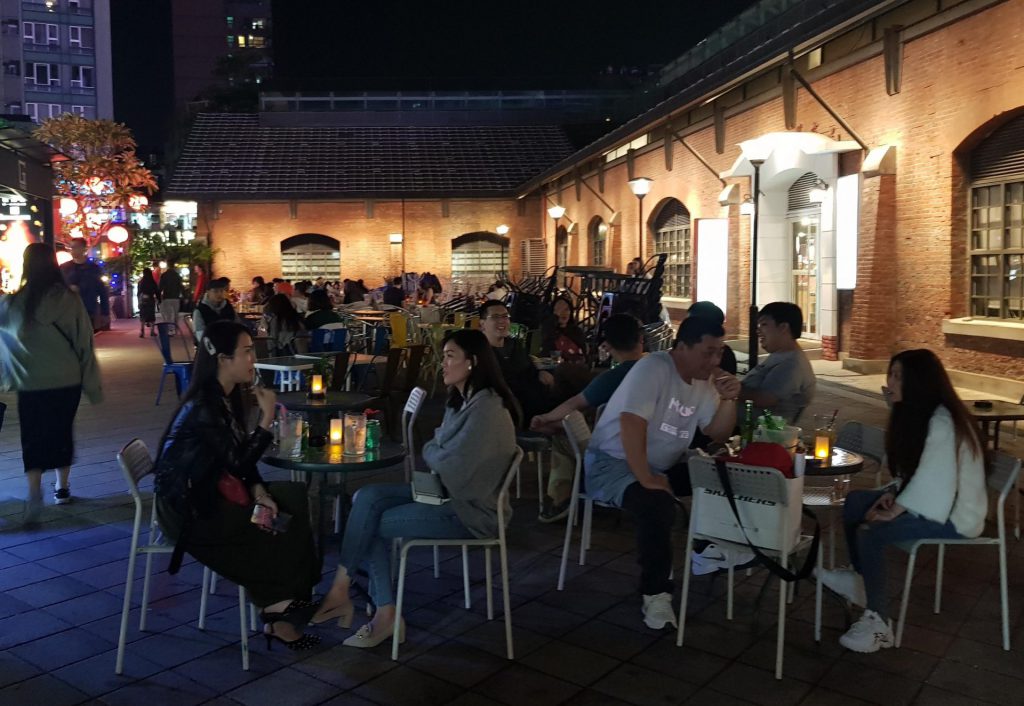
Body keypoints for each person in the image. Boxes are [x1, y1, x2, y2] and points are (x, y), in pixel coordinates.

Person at [315, 329, 519, 648]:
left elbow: (447, 463)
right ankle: (341, 590)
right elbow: (437, 449)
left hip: (471, 512)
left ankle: (384, 614)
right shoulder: (462, 402)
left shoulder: (487, 411)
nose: (443, 364)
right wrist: (436, 451)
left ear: (473, 363)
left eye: (450, 356)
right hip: (445, 492)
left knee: (369, 524)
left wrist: (435, 451)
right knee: (366, 497)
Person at [153, 321, 323, 650]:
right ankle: (279, 613)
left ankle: (296, 597)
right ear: (223, 359)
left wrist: (259, 491)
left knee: (293, 496)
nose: (252, 359)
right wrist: (266, 417)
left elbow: (238, 461)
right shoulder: (206, 406)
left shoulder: (225, 398)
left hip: (211, 493)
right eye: (246, 351)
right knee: (272, 531)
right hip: (189, 511)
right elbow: (239, 461)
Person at [819, 349, 987, 653]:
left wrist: (894, 509)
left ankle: (879, 623)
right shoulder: (920, 414)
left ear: (918, 383)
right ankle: (859, 580)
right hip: (933, 503)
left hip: (956, 516)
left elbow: (934, 477)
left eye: (898, 376)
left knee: (870, 533)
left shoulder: (943, 421)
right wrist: (893, 495)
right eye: (891, 374)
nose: (890, 382)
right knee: (857, 502)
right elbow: (916, 474)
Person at [585, 316, 740, 630]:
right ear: (682, 347)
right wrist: (645, 477)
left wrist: (729, 398)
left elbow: (716, 432)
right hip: (611, 465)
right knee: (656, 503)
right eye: (708, 352)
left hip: (658, 466)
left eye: (719, 353)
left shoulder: (704, 383)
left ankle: (710, 549)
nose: (714, 360)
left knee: (727, 474)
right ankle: (655, 593)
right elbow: (632, 423)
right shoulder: (654, 368)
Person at [0, 243, 103, 523]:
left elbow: (4, 340)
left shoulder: (13, 302)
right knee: (61, 429)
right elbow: (84, 341)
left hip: (30, 381)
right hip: (66, 379)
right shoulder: (69, 299)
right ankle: (62, 488)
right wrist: (92, 384)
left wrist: (8, 375)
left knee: (32, 434)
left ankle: (35, 492)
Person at [530, 313, 644, 522]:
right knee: (567, 425)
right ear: (641, 340)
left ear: (608, 345)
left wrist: (544, 418)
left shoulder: (612, 378)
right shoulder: (657, 369)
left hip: (614, 452)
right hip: (654, 447)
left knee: (562, 437)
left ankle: (559, 499)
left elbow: (574, 403)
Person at [740, 301, 816, 424]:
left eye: (764, 324)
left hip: (764, 434)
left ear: (783, 328)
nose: (758, 331)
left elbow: (765, 398)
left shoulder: (792, 364)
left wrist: (732, 389)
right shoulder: (780, 355)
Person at [479, 299, 552, 425]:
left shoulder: (515, 345)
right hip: (504, 403)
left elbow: (530, 367)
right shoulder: (479, 351)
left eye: (505, 316)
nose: (502, 321)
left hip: (531, 396)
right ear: (482, 324)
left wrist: (541, 372)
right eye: (495, 317)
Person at [59, 237, 109, 331]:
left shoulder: (94, 269)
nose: (72, 250)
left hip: (87, 309)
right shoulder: (64, 268)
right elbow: (58, 288)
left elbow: (102, 291)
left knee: (86, 337)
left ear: (84, 249)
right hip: (68, 310)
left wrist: (105, 313)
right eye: (71, 248)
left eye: (76, 247)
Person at [540, 296, 587, 364]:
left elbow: (583, 356)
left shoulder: (577, 332)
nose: (563, 313)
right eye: (559, 309)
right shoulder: (549, 331)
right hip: (551, 367)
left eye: (566, 309)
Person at [192, 277, 239, 342]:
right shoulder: (200, 310)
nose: (219, 294)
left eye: (222, 291)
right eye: (215, 291)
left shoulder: (228, 307)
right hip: (209, 347)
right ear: (208, 292)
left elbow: (238, 326)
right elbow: (200, 335)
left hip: (230, 344)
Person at [158, 259, 185, 326]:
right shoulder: (177, 275)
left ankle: (169, 329)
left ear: (167, 265)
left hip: (167, 297)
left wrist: (158, 297)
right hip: (176, 297)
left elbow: (160, 287)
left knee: (168, 315)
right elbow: (181, 286)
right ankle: (175, 328)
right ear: (174, 265)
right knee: (175, 314)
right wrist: (184, 296)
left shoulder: (164, 275)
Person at [137, 267, 160, 338]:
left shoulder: (141, 282)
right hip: (150, 300)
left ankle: (142, 331)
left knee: (143, 315)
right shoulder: (152, 282)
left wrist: (139, 301)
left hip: (143, 300)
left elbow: (139, 292)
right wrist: (159, 299)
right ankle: (152, 331)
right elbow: (156, 291)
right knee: (151, 315)